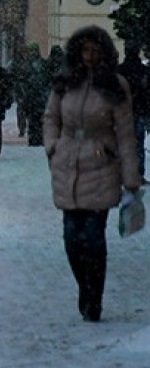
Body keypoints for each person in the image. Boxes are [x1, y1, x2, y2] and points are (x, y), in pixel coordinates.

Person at [43, 26, 142, 322]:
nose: (89, 56)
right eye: (85, 50)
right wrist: (53, 147)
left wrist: (131, 177)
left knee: (93, 238)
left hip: (101, 166)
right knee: (72, 239)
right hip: (68, 165)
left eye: (94, 50)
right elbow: (51, 117)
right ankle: (85, 288)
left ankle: (93, 297)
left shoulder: (115, 86)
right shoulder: (65, 84)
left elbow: (125, 134)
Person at [117, 41, 150, 177]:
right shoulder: (144, 71)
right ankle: (139, 171)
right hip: (139, 110)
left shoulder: (120, 71)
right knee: (138, 141)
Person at [14, 43, 49, 146]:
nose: (33, 53)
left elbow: (46, 80)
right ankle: (33, 138)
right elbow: (21, 81)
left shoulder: (42, 64)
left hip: (39, 98)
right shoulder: (25, 65)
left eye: (35, 51)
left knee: (40, 120)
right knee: (32, 120)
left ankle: (39, 138)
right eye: (31, 51)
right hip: (30, 98)